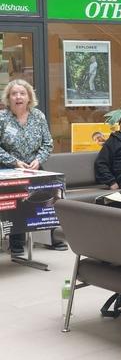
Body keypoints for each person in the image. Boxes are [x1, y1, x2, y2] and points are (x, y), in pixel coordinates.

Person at [0, 79, 66, 255]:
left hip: (34, 166)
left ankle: (53, 238)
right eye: (14, 94)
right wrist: (14, 162)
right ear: (8, 98)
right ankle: (16, 243)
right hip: (9, 168)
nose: (18, 97)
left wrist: (38, 159)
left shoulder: (38, 116)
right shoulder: (2, 118)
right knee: (16, 198)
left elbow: (47, 143)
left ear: (29, 97)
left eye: (22, 93)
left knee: (52, 194)